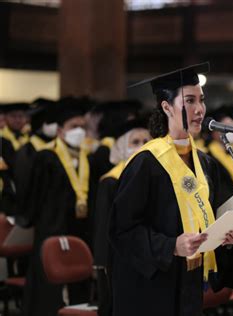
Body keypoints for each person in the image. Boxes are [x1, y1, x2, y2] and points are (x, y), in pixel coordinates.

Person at [108, 62, 233, 316]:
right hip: (152, 289)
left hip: (190, 282)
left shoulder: (204, 163)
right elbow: (121, 229)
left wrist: (225, 238)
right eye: (189, 101)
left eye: (201, 100)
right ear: (166, 107)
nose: (199, 109)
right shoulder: (145, 163)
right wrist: (171, 246)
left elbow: (208, 218)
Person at [21, 96, 92, 316]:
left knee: (80, 282)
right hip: (52, 227)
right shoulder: (46, 157)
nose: (79, 131)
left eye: (82, 126)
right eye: (73, 127)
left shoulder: (88, 158)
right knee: (48, 284)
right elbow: (34, 195)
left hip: (80, 228)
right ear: (60, 131)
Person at [93, 118, 151, 316]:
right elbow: (103, 229)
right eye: (135, 142)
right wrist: (103, 266)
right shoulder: (111, 181)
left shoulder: (152, 177)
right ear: (120, 148)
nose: (142, 146)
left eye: (146, 141)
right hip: (117, 261)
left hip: (146, 255)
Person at [13, 98, 57, 217]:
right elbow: (23, 188)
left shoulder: (55, 148)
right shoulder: (27, 152)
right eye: (51, 121)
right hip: (34, 215)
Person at [0, 102, 30, 172]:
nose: (18, 120)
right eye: (13, 116)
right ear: (5, 117)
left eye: (21, 116)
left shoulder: (30, 138)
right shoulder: (1, 138)